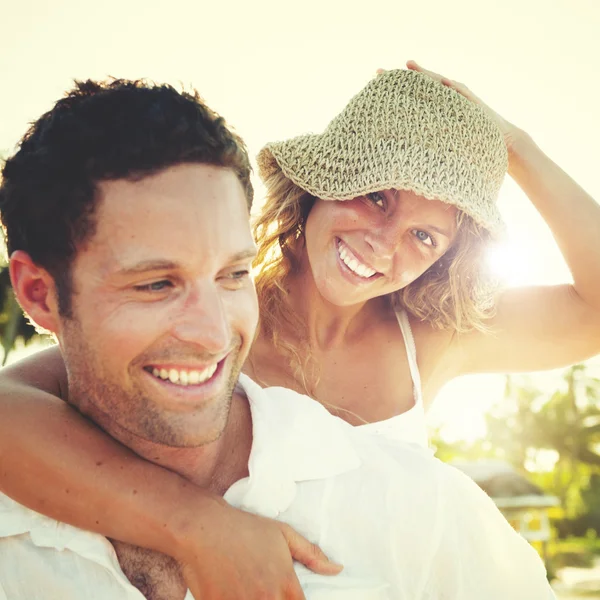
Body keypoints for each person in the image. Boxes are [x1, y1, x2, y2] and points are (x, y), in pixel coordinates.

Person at [1, 61, 597, 592]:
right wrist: (197, 527)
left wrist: (515, 147)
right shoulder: (216, 320)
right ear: (324, 181)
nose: (383, 245)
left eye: (424, 236)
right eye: (376, 197)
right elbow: (10, 407)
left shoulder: (435, 340)